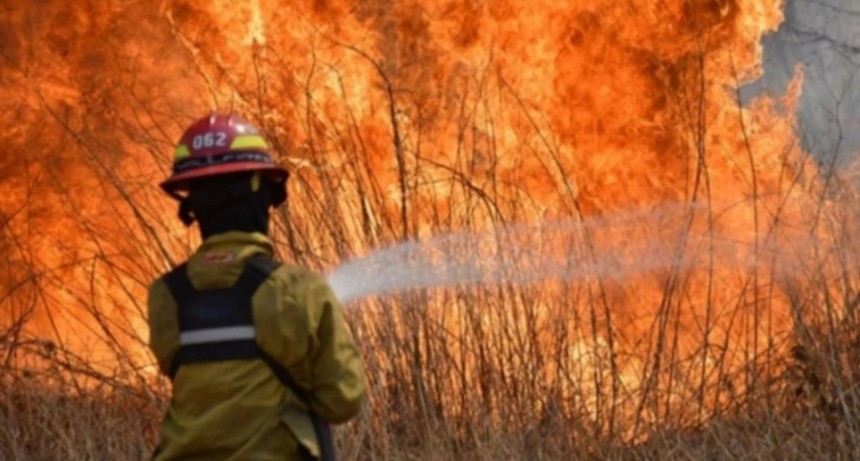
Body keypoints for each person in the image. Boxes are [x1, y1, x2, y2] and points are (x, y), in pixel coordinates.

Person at [147, 112, 367, 461]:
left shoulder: (165, 296)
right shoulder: (298, 290)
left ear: (191, 206)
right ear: (263, 192)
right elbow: (342, 399)